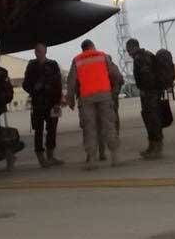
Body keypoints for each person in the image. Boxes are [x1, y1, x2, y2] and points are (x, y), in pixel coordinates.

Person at [66, 40, 119, 168]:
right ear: (93, 47)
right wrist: (114, 90)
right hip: (104, 95)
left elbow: (71, 81)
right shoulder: (102, 56)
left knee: (90, 128)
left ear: (83, 49)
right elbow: (115, 73)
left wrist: (71, 99)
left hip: (86, 98)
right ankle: (114, 157)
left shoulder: (77, 60)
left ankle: (92, 160)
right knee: (109, 125)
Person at [22, 42, 63, 168]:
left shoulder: (53, 64)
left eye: (40, 51)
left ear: (45, 51)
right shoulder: (31, 66)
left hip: (51, 103)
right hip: (38, 104)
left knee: (52, 130)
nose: (37, 53)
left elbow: (58, 84)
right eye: (36, 51)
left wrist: (57, 102)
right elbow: (25, 84)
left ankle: (51, 156)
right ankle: (41, 158)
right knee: (38, 131)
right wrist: (34, 89)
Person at [125, 38, 164, 159]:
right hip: (154, 92)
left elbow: (146, 76)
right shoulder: (148, 55)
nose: (129, 53)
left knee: (152, 119)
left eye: (128, 50)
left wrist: (144, 89)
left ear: (133, 47)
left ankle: (156, 147)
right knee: (151, 118)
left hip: (149, 94)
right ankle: (152, 146)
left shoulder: (139, 59)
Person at [99, 54, 124, 161]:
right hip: (108, 98)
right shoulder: (112, 67)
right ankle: (106, 151)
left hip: (108, 98)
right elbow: (121, 80)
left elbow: (120, 80)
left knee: (104, 124)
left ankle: (103, 151)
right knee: (111, 123)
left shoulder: (108, 68)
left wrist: (113, 94)